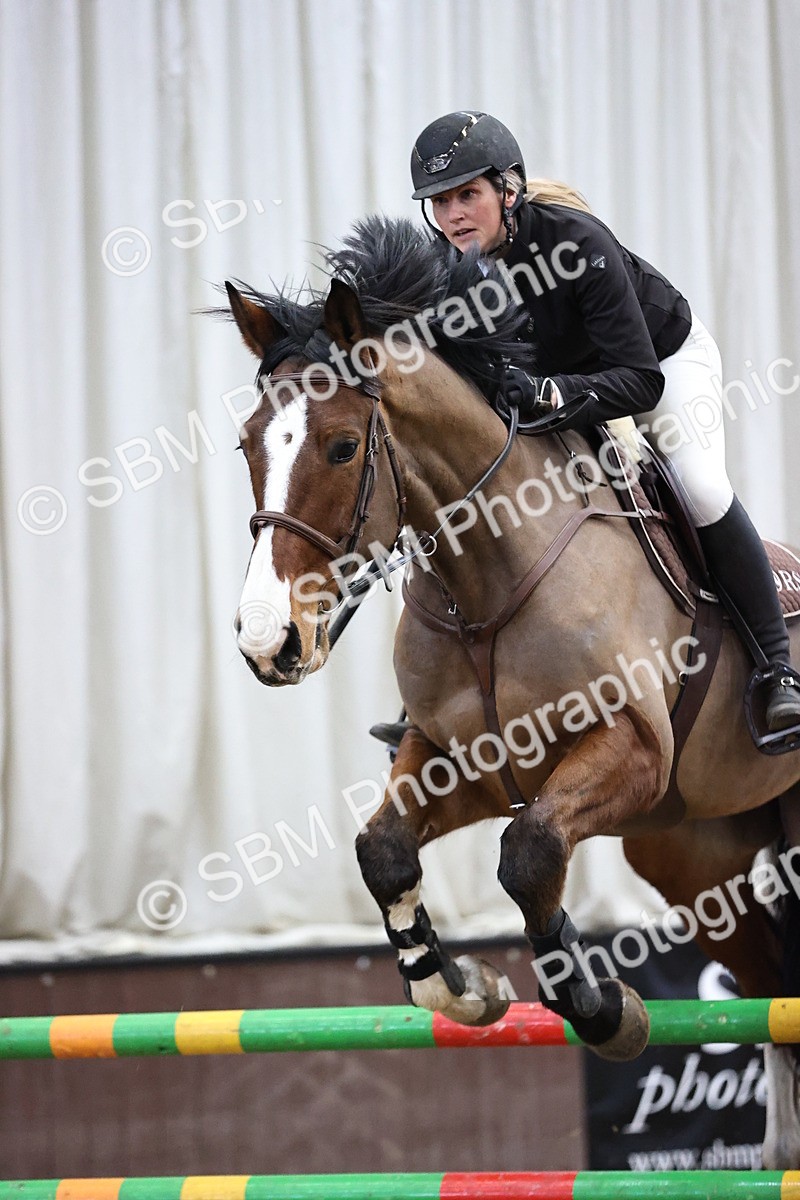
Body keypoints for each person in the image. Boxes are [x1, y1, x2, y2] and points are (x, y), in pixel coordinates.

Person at [397, 109, 800, 736]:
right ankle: (429, 706)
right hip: (565, 387)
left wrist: (548, 393)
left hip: (661, 361)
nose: (453, 216)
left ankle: (777, 669)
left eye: (467, 195)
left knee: (698, 486)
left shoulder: (576, 243)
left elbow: (640, 380)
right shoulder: (444, 270)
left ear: (508, 189)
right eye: (440, 202)